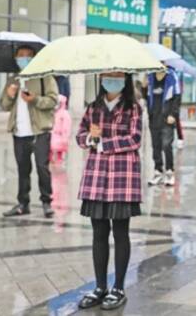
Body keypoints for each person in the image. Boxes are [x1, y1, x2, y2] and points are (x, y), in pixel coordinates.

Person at [76, 72, 142, 311]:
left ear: (125, 79)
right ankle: (100, 286)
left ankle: (119, 288)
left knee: (120, 231)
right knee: (98, 232)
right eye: (107, 75)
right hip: (96, 176)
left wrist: (105, 144)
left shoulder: (133, 108)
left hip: (123, 176)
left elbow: (135, 139)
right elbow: (80, 135)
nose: (111, 79)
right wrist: (89, 140)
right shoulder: (93, 107)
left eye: (116, 75)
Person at [1, 45, 59, 218]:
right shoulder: (13, 79)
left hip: (39, 131)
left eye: (28, 56)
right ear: (16, 58)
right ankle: (23, 203)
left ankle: (47, 202)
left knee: (42, 167)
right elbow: (4, 105)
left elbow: (53, 100)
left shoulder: (44, 77)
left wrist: (34, 100)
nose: (24, 58)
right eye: (21, 56)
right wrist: (10, 95)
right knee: (22, 169)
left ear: (34, 58)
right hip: (19, 132)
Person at [144, 67, 181, 187]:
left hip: (167, 119)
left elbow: (177, 97)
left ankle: (170, 172)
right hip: (154, 117)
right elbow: (147, 97)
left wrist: (173, 114)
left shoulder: (171, 76)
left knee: (166, 145)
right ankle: (158, 172)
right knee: (156, 146)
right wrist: (144, 87)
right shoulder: (150, 76)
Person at [50, 95, 72, 163]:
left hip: (60, 135)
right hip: (52, 134)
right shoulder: (52, 112)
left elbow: (67, 126)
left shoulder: (64, 114)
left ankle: (59, 159)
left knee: (60, 148)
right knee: (50, 147)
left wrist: (65, 136)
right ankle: (51, 159)